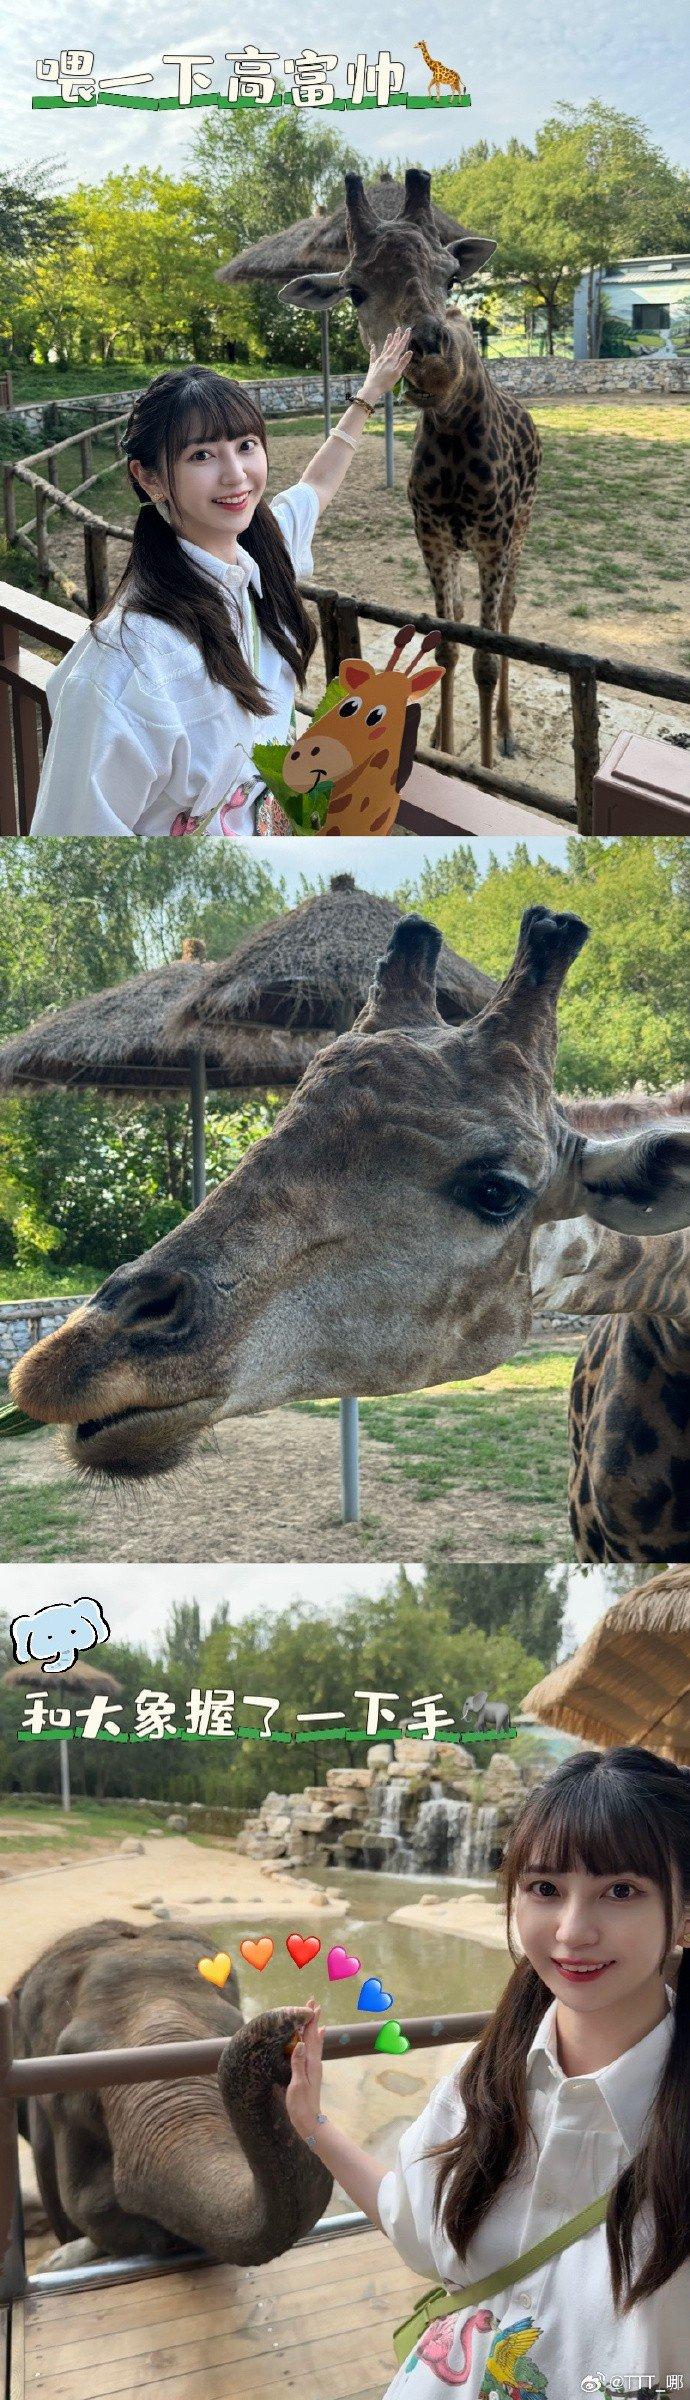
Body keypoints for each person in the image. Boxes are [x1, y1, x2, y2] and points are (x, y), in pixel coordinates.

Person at [282, 1747, 690, 2399]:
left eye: (621, 1891)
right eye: (544, 1889)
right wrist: (312, 2123)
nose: (572, 1930)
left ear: (686, 1914)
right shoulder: (489, 2077)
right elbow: (413, 2221)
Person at [30, 343, 411, 836]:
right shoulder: (126, 664)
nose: (236, 475)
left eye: (246, 445)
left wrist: (367, 395)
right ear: (148, 478)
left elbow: (317, 484)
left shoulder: (266, 552)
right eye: (202, 454)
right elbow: (71, 845)